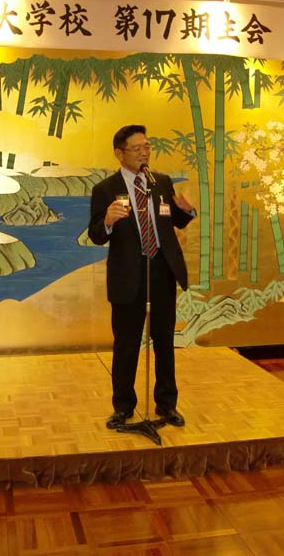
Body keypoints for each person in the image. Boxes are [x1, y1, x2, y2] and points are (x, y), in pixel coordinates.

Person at [88, 124, 195, 429]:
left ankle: (167, 405)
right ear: (119, 154)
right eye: (137, 148)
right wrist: (107, 221)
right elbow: (96, 235)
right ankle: (123, 407)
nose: (144, 153)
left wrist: (187, 211)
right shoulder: (105, 190)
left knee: (164, 343)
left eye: (147, 147)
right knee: (126, 344)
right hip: (128, 276)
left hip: (161, 270)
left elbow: (174, 220)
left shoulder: (160, 183)